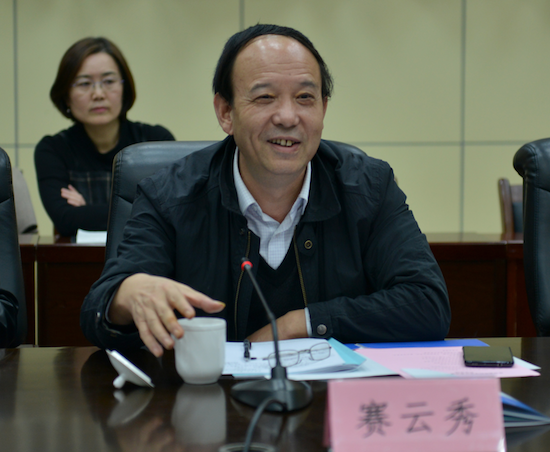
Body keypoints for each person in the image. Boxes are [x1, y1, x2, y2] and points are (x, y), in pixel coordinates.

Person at [81, 24, 451, 357]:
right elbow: (97, 312)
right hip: (205, 404)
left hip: (328, 402)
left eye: (305, 98)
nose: (288, 117)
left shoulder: (368, 187)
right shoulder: (169, 196)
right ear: (226, 112)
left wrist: (300, 323)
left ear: (323, 109)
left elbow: (428, 303)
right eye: (264, 98)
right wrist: (125, 296)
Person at [35, 37, 175, 237]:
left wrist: (86, 210)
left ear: (124, 88)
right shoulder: (53, 149)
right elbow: (65, 219)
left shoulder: (155, 142)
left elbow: (170, 211)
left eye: (109, 81)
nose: (98, 94)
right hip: (79, 257)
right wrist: (140, 206)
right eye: (84, 83)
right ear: (66, 96)